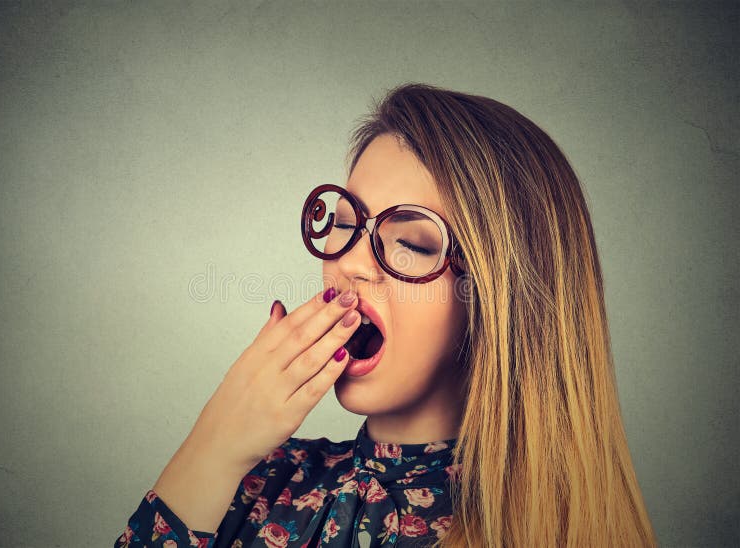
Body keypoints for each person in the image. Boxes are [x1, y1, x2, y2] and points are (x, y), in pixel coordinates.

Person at [114, 83, 657, 547]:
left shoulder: (554, 527)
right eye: (345, 223)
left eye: (412, 245)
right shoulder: (256, 482)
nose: (349, 263)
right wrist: (214, 445)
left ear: (499, 294)